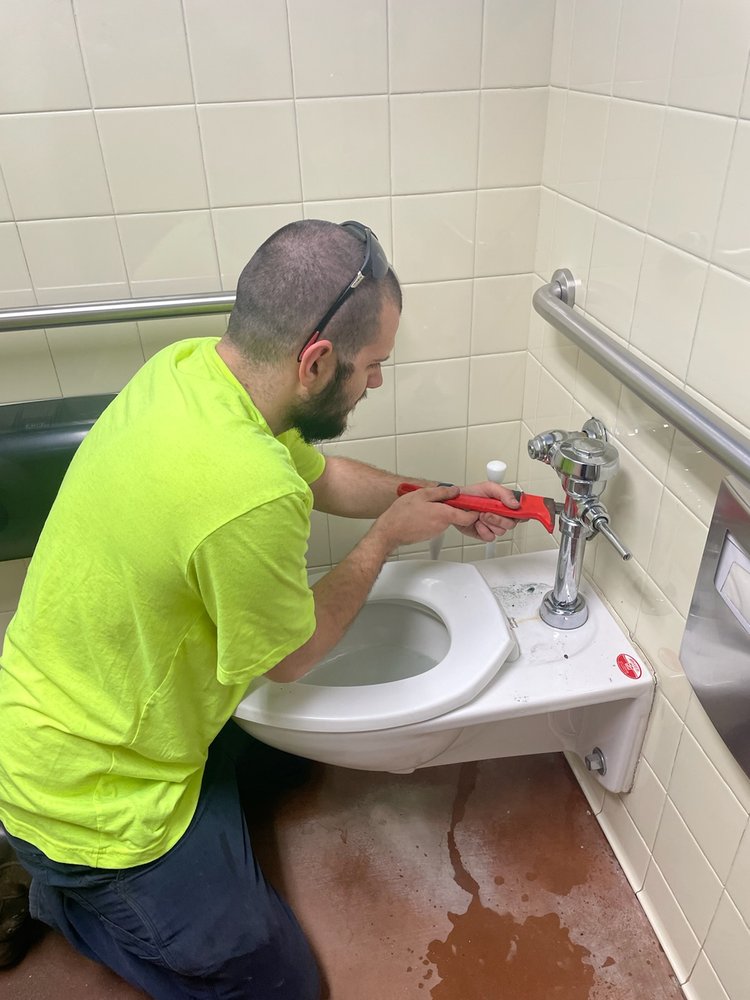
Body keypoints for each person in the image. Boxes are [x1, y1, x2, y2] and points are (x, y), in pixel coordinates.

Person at [0, 220, 520, 998]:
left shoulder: (188, 373)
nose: (376, 382)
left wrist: (435, 498)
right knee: (281, 985)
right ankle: (64, 901)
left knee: (281, 765)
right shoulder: (247, 491)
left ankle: (90, 872)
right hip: (93, 803)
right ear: (316, 362)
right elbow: (294, 653)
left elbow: (327, 478)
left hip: (56, 714)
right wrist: (384, 541)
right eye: (372, 366)